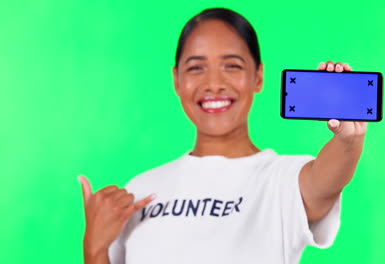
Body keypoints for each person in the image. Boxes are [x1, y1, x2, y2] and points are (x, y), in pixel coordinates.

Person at [78, 7, 367, 264]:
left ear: (258, 76)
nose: (214, 84)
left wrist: (348, 140)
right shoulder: (139, 190)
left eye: (232, 65)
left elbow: (328, 178)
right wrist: (94, 247)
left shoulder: (282, 180)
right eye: (196, 68)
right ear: (176, 79)